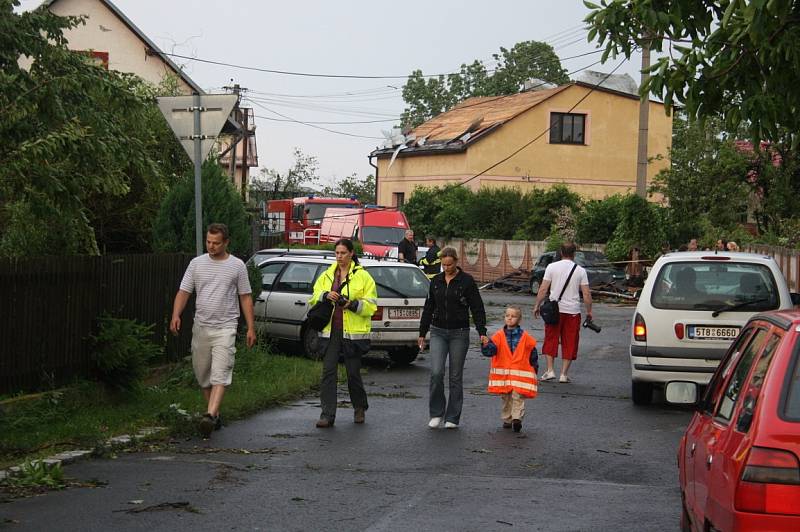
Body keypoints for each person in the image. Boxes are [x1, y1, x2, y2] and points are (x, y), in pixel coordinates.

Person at [170, 223, 256, 438]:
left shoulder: (237, 266)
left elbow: (245, 296)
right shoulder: (196, 264)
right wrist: (176, 315)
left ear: (226, 242)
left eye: (216, 243)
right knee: (203, 374)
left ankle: (208, 415)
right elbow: (184, 291)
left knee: (221, 372)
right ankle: (214, 416)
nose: (211, 246)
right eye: (208, 242)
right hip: (201, 326)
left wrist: (251, 328)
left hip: (226, 327)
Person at [309, 238, 378, 428]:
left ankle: (359, 407)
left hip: (353, 333)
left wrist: (352, 304)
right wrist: (325, 295)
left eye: (343, 253)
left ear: (351, 253)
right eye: (337, 253)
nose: (339, 257)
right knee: (328, 372)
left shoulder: (364, 277)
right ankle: (327, 414)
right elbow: (314, 295)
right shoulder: (327, 275)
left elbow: (372, 306)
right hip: (330, 331)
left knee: (353, 373)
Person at [418, 247, 488, 429]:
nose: (446, 268)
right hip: (438, 331)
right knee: (436, 373)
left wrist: (482, 332)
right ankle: (436, 413)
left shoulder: (467, 281)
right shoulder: (436, 282)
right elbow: (429, 306)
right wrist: (421, 332)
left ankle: (452, 417)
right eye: (443, 265)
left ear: (456, 262)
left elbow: (477, 307)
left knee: (455, 376)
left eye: (450, 264)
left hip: (459, 332)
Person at [533, 242, 592, 383]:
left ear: (560, 251)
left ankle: (550, 370)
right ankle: (564, 374)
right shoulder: (580, 271)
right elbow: (586, 294)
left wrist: (537, 305)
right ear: (574, 253)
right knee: (570, 341)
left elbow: (543, 289)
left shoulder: (551, 267)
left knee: (551, 338)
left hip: (554, 310)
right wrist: (589, 311)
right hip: (573, 312)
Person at [481, 305, 538, 433]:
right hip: (504, 376)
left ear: (519, 319)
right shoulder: (498, 336)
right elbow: (491, 352)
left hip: (519, 375)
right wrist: (485, 345)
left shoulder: (525, 337)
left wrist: (534, 368)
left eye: (513, 316)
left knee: (518, 396)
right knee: (506, 397)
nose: (510, 318)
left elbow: (532, 353)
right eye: (507, 316)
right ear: (504, 318)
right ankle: (507, 419)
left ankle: (517, 419)